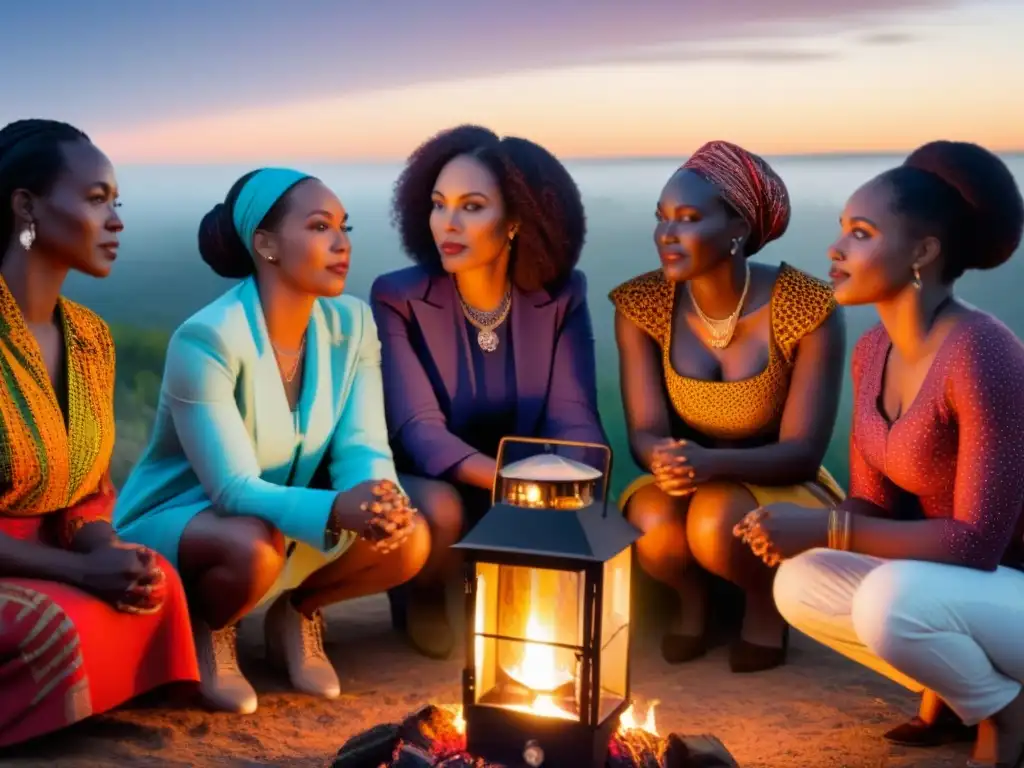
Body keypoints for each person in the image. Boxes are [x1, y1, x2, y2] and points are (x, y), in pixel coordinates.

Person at [747, 140, 1024, 767]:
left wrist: (823, 523)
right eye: (843, 230)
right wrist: (796, 532)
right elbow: (874, 505)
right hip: (961, 593)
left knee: (888, 600)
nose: (835, 250)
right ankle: (953, 693)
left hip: (1009, 587)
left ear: (923, 252)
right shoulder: (873, 351)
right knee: (801, 581)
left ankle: (1005, 715)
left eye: (861, 233)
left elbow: (978, 543)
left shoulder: (982, 353)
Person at [114, 168, 430, 715]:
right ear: (265, 245)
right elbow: (233, 489)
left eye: (344, 227)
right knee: (250, 547)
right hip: (190, 515)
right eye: (318, 226)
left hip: (277, 512)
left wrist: (378, 498)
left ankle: (299, 611)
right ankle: (212, 629)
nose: (341, 243)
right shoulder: (207, 337)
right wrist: (337, 507)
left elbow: (363, 444)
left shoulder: (351, 323)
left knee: (410, 537)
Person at [610, 140, 846, 673]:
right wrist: (664, 458)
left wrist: (712, 464)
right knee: (650, 520)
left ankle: (765, 607)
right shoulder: (642, 305)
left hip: (779, 479)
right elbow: (644, 430)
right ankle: (692, 601)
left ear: (737, 228)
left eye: (688, 219)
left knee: (715, 520)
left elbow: (803, 452)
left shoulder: (806, 307)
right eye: (661, 218)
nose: (665, 235)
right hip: (689, 475)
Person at [370, 125, 606, 660]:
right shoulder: (398, 295)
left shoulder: (563, 295)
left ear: (518, 220)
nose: (446, 224)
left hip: (523, 478)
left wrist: (580, 480)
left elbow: (574, 416)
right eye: (437, 204)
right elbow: (419, 429)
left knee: (579, 497)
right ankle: (425, 595)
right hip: (431, 476)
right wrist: (519, 482)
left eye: (471, 207)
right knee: (446, 509)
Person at [0, 119, 199, 747]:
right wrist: (77, 573)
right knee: (56, 626)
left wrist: (103, 549)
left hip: (52, 554)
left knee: (155, 585)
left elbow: (87, 490)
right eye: (95, 199)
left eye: (117, 201)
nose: (115, 219)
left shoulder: (89, 337)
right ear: (26, 206)